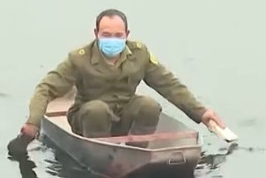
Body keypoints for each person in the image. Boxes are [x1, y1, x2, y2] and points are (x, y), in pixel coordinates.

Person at [20, 8, 227, 140]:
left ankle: (137, 150)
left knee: (149, 105)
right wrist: (33, 122)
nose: (113, 40)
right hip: (88, 118)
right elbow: (46, 88)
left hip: (123, 115)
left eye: (118, 35)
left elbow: (168, 84)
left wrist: (201, 113)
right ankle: (99, 153)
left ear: (127, 35)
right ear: (96, 34)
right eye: (106, 35)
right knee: (97, 109)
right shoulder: (79, 58)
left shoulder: (139, 54)